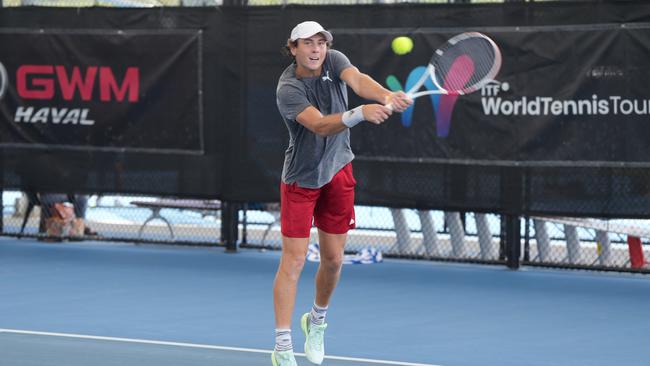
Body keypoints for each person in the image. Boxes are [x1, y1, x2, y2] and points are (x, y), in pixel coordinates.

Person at [272, 21, 411, 366]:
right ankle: (282, 346)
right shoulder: (288, 88)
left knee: (333, 261)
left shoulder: (334, 60)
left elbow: (358, 79)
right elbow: (319, 125)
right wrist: (360, 113)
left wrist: (384, 96)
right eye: (308, 43)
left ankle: (316, 323)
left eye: (321, 42)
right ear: (293, 48)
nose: (316, 49)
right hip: (301, 180)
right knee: (295, 262)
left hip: (338, 171)